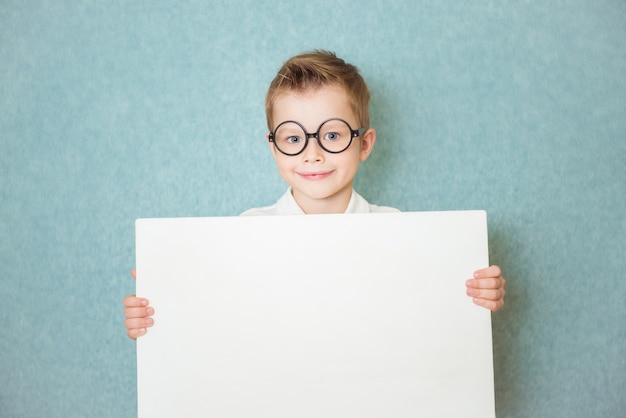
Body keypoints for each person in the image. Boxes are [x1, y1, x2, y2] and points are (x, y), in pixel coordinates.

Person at [123, 50, 506, 339]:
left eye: (333, 134)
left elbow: (432, 319)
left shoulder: (400, 233)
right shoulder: (243, 235)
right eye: (293, 137)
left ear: (365, 144)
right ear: (273, 148)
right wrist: (163, 309)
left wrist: (474, 296)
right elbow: (217, 324)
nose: (312, 152)